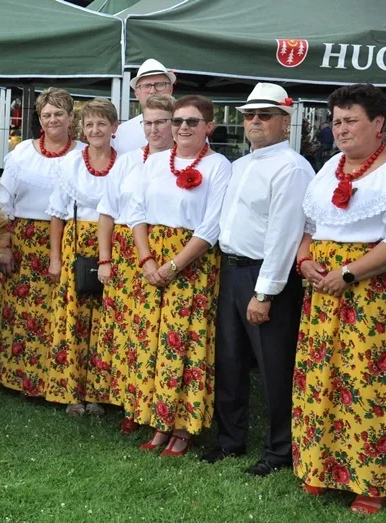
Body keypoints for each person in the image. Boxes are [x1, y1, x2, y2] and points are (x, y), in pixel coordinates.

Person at [293, 84, 386, 515]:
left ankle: (373, 480)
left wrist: (349, 273)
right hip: (325, 292)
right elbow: (310, 227)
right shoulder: (329, 166)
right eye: (336, 121)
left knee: (371, 384)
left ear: (378, 123)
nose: (341, 129)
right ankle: (324, 467)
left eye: (351, 120)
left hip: (375, 295)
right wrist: (305, 261)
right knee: (325, 379)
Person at [200, 83, 314, 476]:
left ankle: (280, 449)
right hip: (232, 270)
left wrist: (265, 293)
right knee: (229, 360)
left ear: (286, 121)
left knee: (274, 365)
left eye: (264, 115)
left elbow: (284, 235)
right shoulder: (239, 164)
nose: (254, 121)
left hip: (265, 274)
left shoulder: (292, 167)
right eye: (250, 115)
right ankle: (231, 439)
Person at [127, 95, 232, 456]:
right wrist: (148, 262)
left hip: (192, 264)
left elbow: (211, 226)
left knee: (185, 344)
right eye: (177, 121)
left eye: (191, 122)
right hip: (152, 259)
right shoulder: (155, 163)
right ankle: (158, 421)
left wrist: (173, 266)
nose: (182, 128)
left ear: (209, 127)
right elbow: (135, 212)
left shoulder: (219, 166)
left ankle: (184, 427)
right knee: (153, 342)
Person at [0, 87, 84, 398]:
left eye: (59, 113)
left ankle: (55, 380)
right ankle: (20, 378)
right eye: (46, 114)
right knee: (22, 311)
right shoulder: (21, 153)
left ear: (71, 118)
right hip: (24, 240)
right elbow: (3, 200)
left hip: (68, 241)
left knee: (59, 311)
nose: (52, 119)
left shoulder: (83, 154)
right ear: (39, 119)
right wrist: (3, 244)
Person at [96, 94, 176, 432]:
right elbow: (107, 212)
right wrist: (105, 260)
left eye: (161, 122)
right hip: (127, 259)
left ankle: (160, 408)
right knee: (129, 335)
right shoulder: (128, 161)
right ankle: (131, 405)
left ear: (175, 124)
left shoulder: (184, 162)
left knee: (160, 335)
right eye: (148, 122)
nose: (154, 129)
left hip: (168, 257)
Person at [44, 98, 118, 415]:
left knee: (106, 321)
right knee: (73, 321)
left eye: (102, 123)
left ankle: (101, 394)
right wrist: (55, 258)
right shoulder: (70, 164)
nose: (95, 130)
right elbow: (57, 216)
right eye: (89, 124)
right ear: (82, 129)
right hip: (76, 243)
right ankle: (72, 392)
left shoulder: (127, 163)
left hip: (115, 245)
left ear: (114, 128)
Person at [112, 59, 176, 155]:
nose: (153, 91)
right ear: (136, 94)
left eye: (160, 85)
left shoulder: (189, 127)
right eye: (146, 86)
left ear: (170, 89)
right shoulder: (121, 133)